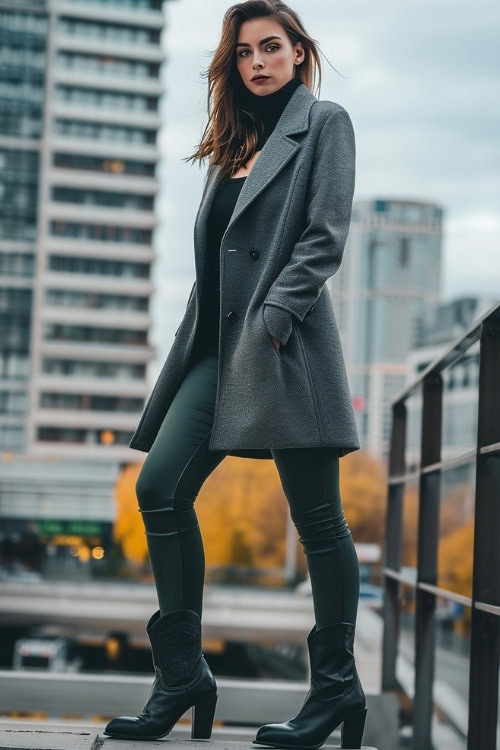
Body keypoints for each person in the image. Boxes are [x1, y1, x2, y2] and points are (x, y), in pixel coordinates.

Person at [104, 2, 367, 748]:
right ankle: (182, 678)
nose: (258, 61)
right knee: (159, 487)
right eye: (245, 51)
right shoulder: (233, 143)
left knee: (317, 520)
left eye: (271, 47)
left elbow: (324, 235)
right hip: (214, 351)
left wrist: (275, 320)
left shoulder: (325, 124)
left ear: (298, 52)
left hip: (283, 351)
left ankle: (337, 692)